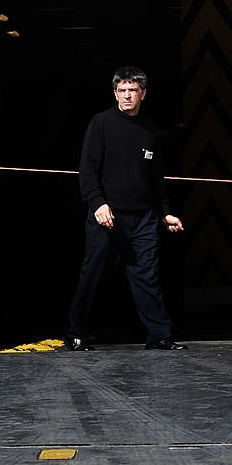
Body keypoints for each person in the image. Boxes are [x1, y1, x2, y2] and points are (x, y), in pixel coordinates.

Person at [66, 66, 187, 351]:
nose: (127, 96)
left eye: (132, 90)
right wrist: (97, 204)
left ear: (143, 94)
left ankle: (159, 336)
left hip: (144, 218)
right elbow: (87, 169)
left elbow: (155, 178)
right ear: (115, 93)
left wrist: (164, 212)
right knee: (93, 275)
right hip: (108, 216)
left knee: (147, 276)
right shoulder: (101, 124)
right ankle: (75, 332)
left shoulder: (149, 130)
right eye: (121, 90)